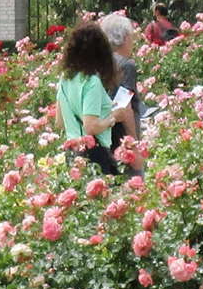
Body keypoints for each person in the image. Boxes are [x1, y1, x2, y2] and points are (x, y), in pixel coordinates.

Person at [55, 22, 131, 176]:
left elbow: (60, 122)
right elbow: (91, 126)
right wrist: (113, 117)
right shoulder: (92, 82)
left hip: (72, 154)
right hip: (94, 155)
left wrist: (104, 107)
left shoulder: (66, 78)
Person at [99, 13, 146, 175]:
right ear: (125, 38)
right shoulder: (126, 65)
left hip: (105, 140)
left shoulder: (102, 63)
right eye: (132, 37)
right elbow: (124, 107)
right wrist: (135, 148)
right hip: (122, 143)